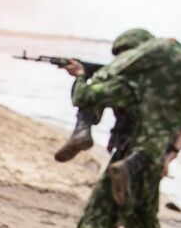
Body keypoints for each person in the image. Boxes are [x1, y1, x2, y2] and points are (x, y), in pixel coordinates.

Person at [44, 29, 181, 228]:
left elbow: (87, 96)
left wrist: (81, 76)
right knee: (144, 224)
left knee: (98, 215)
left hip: (127, 159)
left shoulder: (132, 85)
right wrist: (167, 159)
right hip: (153, 161)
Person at [52, 27, 153, 162]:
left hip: (131, 149)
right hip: (151, 148)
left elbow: (82, 97)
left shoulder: (126, 83)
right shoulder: (159, 79)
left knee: (93, 95)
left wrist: (80, 75)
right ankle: (82, 132)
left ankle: (82, 130)